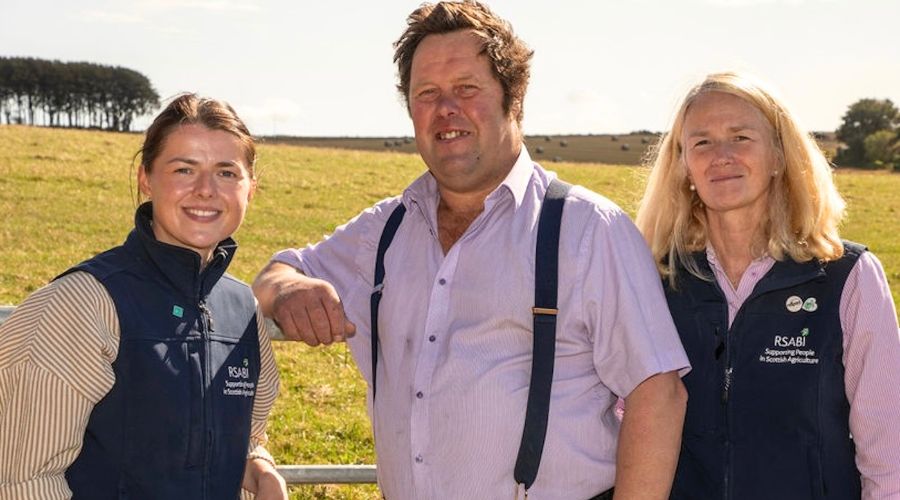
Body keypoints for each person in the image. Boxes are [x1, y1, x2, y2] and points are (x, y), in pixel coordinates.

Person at [253, 1, 689, 498]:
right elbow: (277, 271)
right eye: (427, 94)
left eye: (467, 89)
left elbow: (657, 393)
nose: (446, 110)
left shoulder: (589, 229)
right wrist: (291, 290)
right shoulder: (385, 230)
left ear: (514, 99)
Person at [0, 94, 287, 500]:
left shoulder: (241, 309)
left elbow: (241, 435)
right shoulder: (82, 304)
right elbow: (23, 479)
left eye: (226, 172)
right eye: (184, 169)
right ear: (146, 179)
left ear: (250, 188)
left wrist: (257, 467)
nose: (206, 190)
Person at [635, 71, 900, 499]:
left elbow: (890, 455)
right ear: (684, 165)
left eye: (741, 137)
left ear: (779, 155)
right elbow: (622, 426)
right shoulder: (654, 281)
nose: (721, 155)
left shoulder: (846, 277)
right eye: (701, 142)